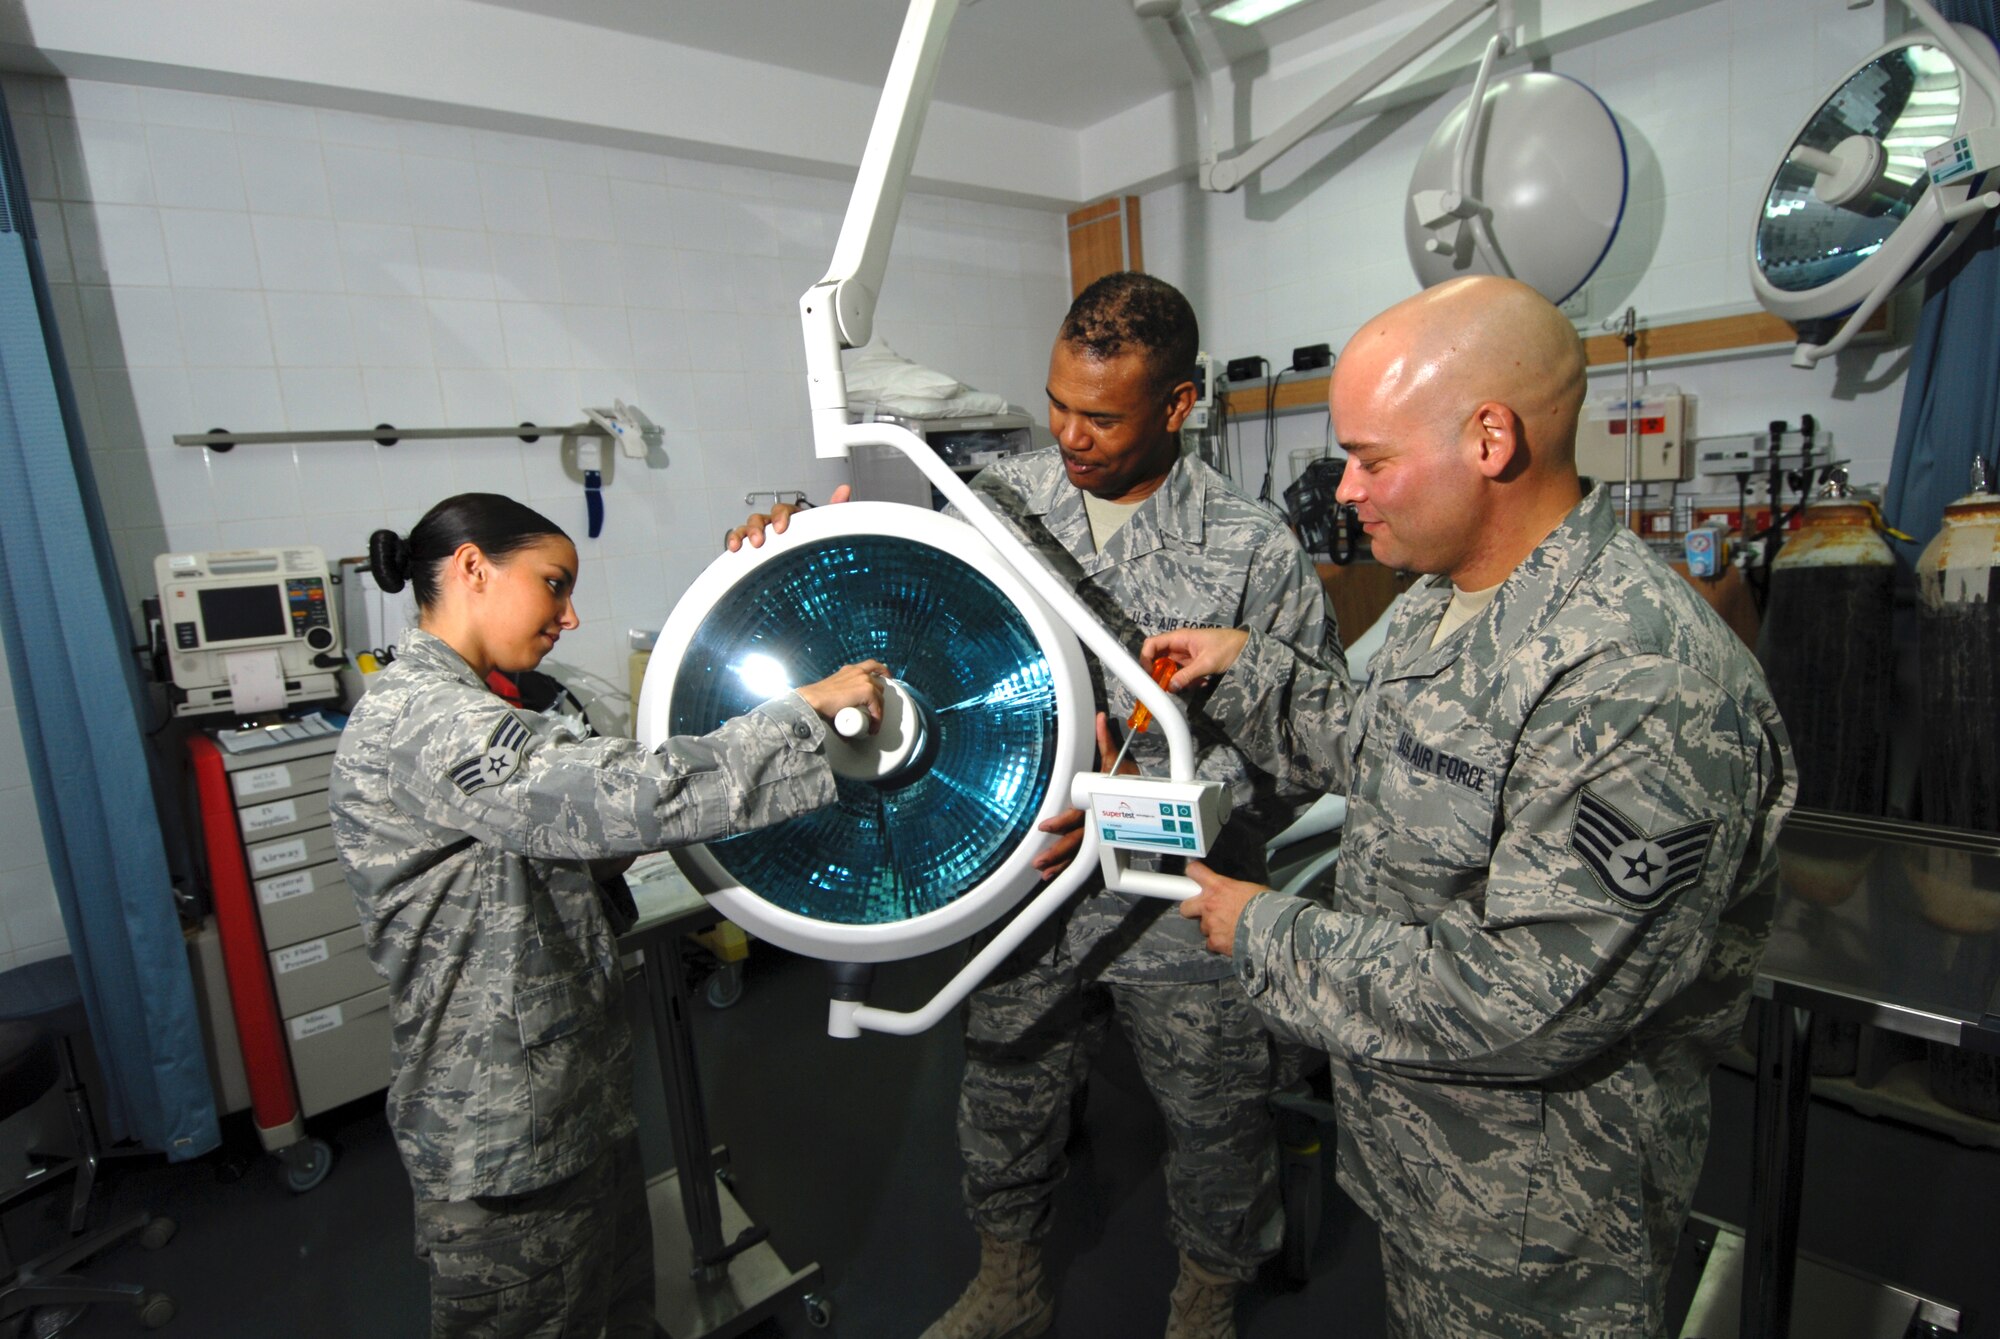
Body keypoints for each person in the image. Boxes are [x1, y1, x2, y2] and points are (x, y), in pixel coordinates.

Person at [1142, 276, 1796, 1338]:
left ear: (1489, 439)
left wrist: (1261, 928)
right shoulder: (1445, 598)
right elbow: (1375, 745)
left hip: (1540, 1216)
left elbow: (1524, 1001)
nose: (1345, 489)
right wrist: (1239, 669)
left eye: (1372, 457)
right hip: (1424, 1161)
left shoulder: (1635, 681)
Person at [732, 273, 1335, 1339]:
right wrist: (788, 545)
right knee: (1004, 1089)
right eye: (1055, 401)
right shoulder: (990, 504)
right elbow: (892, 610)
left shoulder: (1252, 549)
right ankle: (1009, 1279)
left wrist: (1141, 803)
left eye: (1100, 415)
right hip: (1020, 879)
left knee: (1214, 1114)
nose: (1068, 432)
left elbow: (1302, 753)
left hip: (1174, 901)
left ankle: (1204, 1295)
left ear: (1178, 406)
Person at [328, 493, 886, 1339]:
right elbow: (618, 794)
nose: (570, 614)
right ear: (474, 567)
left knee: (612, 1310)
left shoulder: (501, 701)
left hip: (568, 1103)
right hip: (500, 1139)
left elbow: (605, 783)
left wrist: (777, 556)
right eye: (553, 584)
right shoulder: (423, 717)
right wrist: (802, 714)